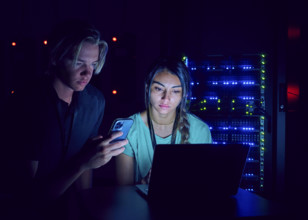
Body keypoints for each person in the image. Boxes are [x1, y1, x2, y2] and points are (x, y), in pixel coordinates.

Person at [1, 20, 127, 218]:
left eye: (93, 64)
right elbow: (28, 196)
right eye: (78, 62)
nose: (88, 73)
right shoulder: (27, 104)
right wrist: (84, 162)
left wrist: (84, 210)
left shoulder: (94, 101)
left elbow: (86, 170)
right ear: (56, 57)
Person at [115, 57, 212, 185]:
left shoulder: (200, 130)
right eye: (159, 89)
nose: (166, 98)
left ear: (184, 94)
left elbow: (203, 184)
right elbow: (123, 191)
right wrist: (144, 182)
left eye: (175, 91)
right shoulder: (127, 129)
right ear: (147, 88)